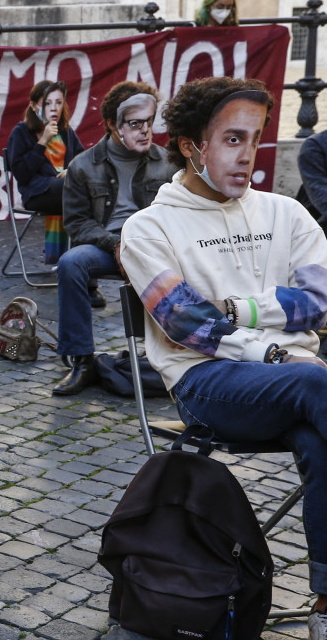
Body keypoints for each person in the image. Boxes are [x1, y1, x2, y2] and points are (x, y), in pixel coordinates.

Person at [120, 77, 327, 638]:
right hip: (208, 385)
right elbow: (187, 324)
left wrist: (235, 309)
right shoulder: (147, 229)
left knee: (317, 435)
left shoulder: (288, 214)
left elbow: (319, 302)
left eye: (255, 140)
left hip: (304, 388)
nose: (248, 156)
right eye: (232, 139)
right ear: (191, 145)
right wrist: (278, 351)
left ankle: (326, 603)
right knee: (317, 389)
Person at [52, 82, 177, 396]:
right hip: (106, 245)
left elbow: (180, 219)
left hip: (151, 247)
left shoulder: (167, 163)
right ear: (111, 124)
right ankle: (82, 360)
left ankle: (170, 353)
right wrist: (115, 244)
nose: (145, 131)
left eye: (149, 122)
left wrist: (139, 247)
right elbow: (77, 224)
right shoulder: (82, 166)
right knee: (70, 263)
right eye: (135, 123)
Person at [6, 80, 85, 215]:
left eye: (58, 103)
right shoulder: (21, 132)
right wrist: (42, 142)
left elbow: (83, 159)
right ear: (34, 106)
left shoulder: (66, 132)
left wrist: (71, 169)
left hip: (67, 187)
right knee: (76, 185)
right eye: (47, 103)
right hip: (37, 193)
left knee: (95, 181)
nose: (54, 108)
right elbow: (21, 175)